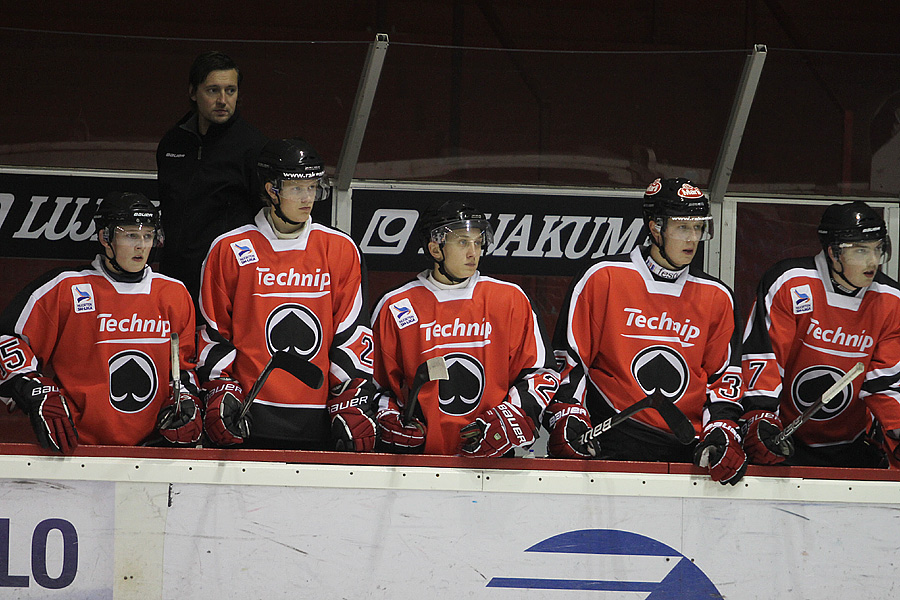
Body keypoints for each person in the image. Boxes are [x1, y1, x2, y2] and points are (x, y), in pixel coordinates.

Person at [550, 178, 747, 484]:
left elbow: (723, 378)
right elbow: (570, 360)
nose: (692, 238)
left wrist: (722, 430)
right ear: (656, 228)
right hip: (612, 442)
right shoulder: (604, 278)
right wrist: (567, 414)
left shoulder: (716, 296)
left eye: (698, 228)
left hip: (687, 450)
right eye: (683, 227)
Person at [196, 138, 376, 451]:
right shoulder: (230, 250)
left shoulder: (339, 249)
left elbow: (350, 333)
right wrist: (220, 391)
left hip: (318, 421)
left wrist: (349, 400)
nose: (308, 199)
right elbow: (213, 334)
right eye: (297, 189)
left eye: (312, 187)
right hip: (246, 419)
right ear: (271, 190)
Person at [0, 192, 203, 452]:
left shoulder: (173, 293)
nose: (141, 245)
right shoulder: (65, 287)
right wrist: (34, 391)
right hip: (77, 448)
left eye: (148, 235)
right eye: (131, 235)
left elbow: (183, 370)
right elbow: (7, 340)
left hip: (153, 451)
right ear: (105, 237)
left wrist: (185, 402)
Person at [370, 200, 560, 457]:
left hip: (497, 460)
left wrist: (511, 416)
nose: (474, 252)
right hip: (421, 463)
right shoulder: (397, 305)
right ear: (435, 249)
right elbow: (375, 385)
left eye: (478, 243)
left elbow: (540, 373)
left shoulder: (509, 299)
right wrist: (389, 419)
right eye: (462, 242)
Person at [740, 201, 900, 468]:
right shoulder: (791, 283)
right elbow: (765, 359)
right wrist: (760, 418)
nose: (873, 261)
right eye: (861, 251)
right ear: (833, 253)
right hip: (785, 439)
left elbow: (886, 384)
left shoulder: (890, 300)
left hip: (851, 444)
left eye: (877, 249)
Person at [156, 50, 268, 306]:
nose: (223, 100)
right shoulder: (172, 142)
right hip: (176, 274)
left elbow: (266, 223)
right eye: (213, 90)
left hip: (227, 279)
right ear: (193, 92)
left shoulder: (254, 147)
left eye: (230, 90)